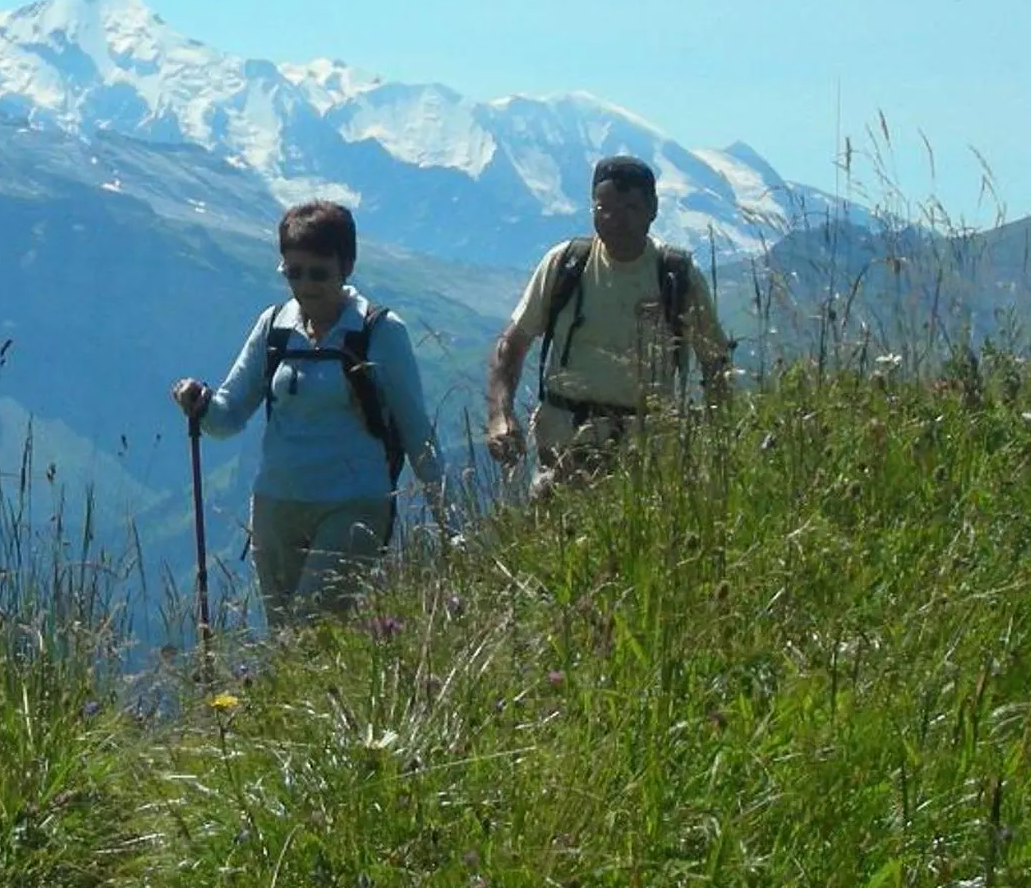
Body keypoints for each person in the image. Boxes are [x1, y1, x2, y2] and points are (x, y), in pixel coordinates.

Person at [171, 200, 438, 632]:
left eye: (318, 273)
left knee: (310, 634)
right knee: (288, 640)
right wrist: (200, 403)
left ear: (346, 266)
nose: (305, 285)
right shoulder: (274, 326)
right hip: (277, 506)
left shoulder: (381, 333)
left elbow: (415, 429)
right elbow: (228, 416)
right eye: (294, 272)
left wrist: (445, 518)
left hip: (354, 504)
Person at [482, 155, 734, 493]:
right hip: (562, 455)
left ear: (653, 210)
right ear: (592, 210)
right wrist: (500, 415)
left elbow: (716, 363)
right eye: (605, 208)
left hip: (648, 461)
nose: (617, 220)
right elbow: (511, 345)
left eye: (630, 208)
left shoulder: (676, 275)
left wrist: (719, 443)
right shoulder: (565, 264)